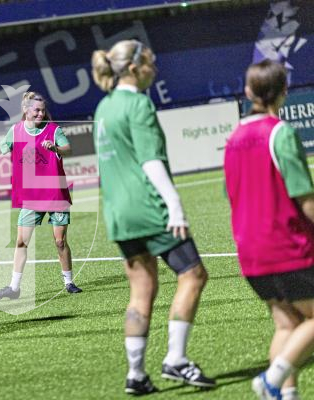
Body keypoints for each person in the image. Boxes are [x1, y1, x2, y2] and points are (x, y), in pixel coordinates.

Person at [91, 40, 215, 395]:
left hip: (119, 214)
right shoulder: (138, 104)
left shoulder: (104, 107)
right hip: (148, 208)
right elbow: (150, 160)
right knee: (193, 274)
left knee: (141, 289)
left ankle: (136, 374)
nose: (154, 69)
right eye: (150, 62)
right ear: (133, 68)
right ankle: (176, 358)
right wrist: (174, 203)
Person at [224, 60, 314, 400]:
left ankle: (285, 396)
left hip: (250, 251)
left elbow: (231, 194)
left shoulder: (234, 138)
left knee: (287, 325)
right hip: (287, 246)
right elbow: (304, 197)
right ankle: (272, 380)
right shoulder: (280, 133)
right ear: (284, 91)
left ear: (248, 92)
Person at [0, 91, 82, 299]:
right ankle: (14, 288)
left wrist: (55, 148)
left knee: (60, 242)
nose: (40, 114)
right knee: (21, 242)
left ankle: (69, 281)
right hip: (31, 197)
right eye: (36, 110)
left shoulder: (53, 130)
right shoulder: (16, 130)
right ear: (25, 110)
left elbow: (68, 149)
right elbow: (0, 148)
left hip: (55, 194)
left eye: (43, 110)